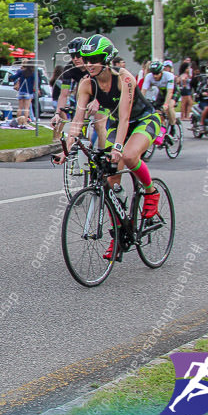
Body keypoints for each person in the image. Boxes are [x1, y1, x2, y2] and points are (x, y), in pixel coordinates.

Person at [61, 35, 163, 259]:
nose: (89, 64)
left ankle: (151, 192)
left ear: (107, 59)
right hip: (118, 124)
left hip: (144, 120)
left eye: (94, 59)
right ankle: (119, 233)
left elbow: (126, 118)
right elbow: (78, 120)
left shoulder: (124, 78)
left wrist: (117, 147)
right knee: (108, 180)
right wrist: (66, 149)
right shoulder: (86, 83)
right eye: (85, 59)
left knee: (128, 155)